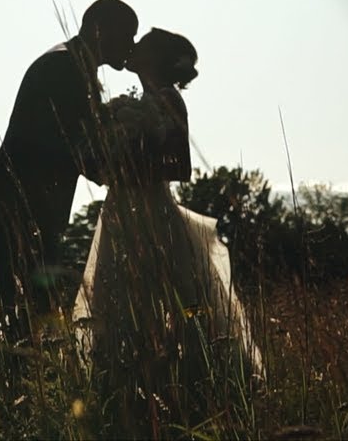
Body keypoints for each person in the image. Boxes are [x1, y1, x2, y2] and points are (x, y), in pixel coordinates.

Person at [73, 28, 263, 438]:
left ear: (156, 57)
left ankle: (189, 397)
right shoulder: (132, 103)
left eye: (142, 42)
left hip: (153, 215)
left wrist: (132, 166)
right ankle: (122, 398)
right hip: (121, 212)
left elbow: (181, 167)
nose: (133, 45)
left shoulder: (168, 100)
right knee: (115, 304)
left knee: (176, 307)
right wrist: (105, 162)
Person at [0, 0, 138, 364]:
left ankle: (22, 369)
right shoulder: (65, 67)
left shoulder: (74, 64)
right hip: (22, 196)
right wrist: (122, 178)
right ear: (99, 29)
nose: (131, 45)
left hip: (29, 195)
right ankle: (19, 373)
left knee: (30, 295)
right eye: (126, 35)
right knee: (26, 295)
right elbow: (73, 145)